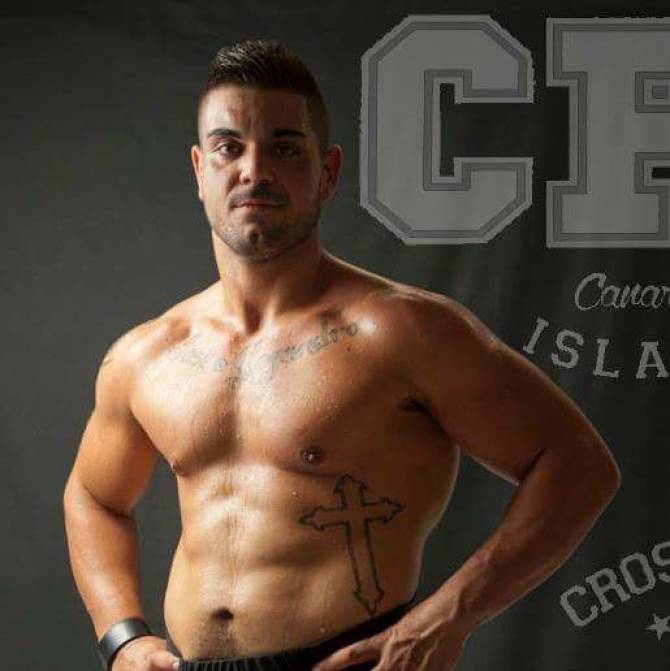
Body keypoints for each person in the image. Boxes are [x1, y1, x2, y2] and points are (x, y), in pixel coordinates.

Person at [62, 38, 621, 671]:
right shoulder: (149, 354)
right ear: (199, 170)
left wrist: (448, 617)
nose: (252, 170)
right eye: (228, 147)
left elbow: (579, 464)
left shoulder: (401, 331)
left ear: (327, 172)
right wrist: (123, 638)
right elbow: (93, 496)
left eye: (283, 148)